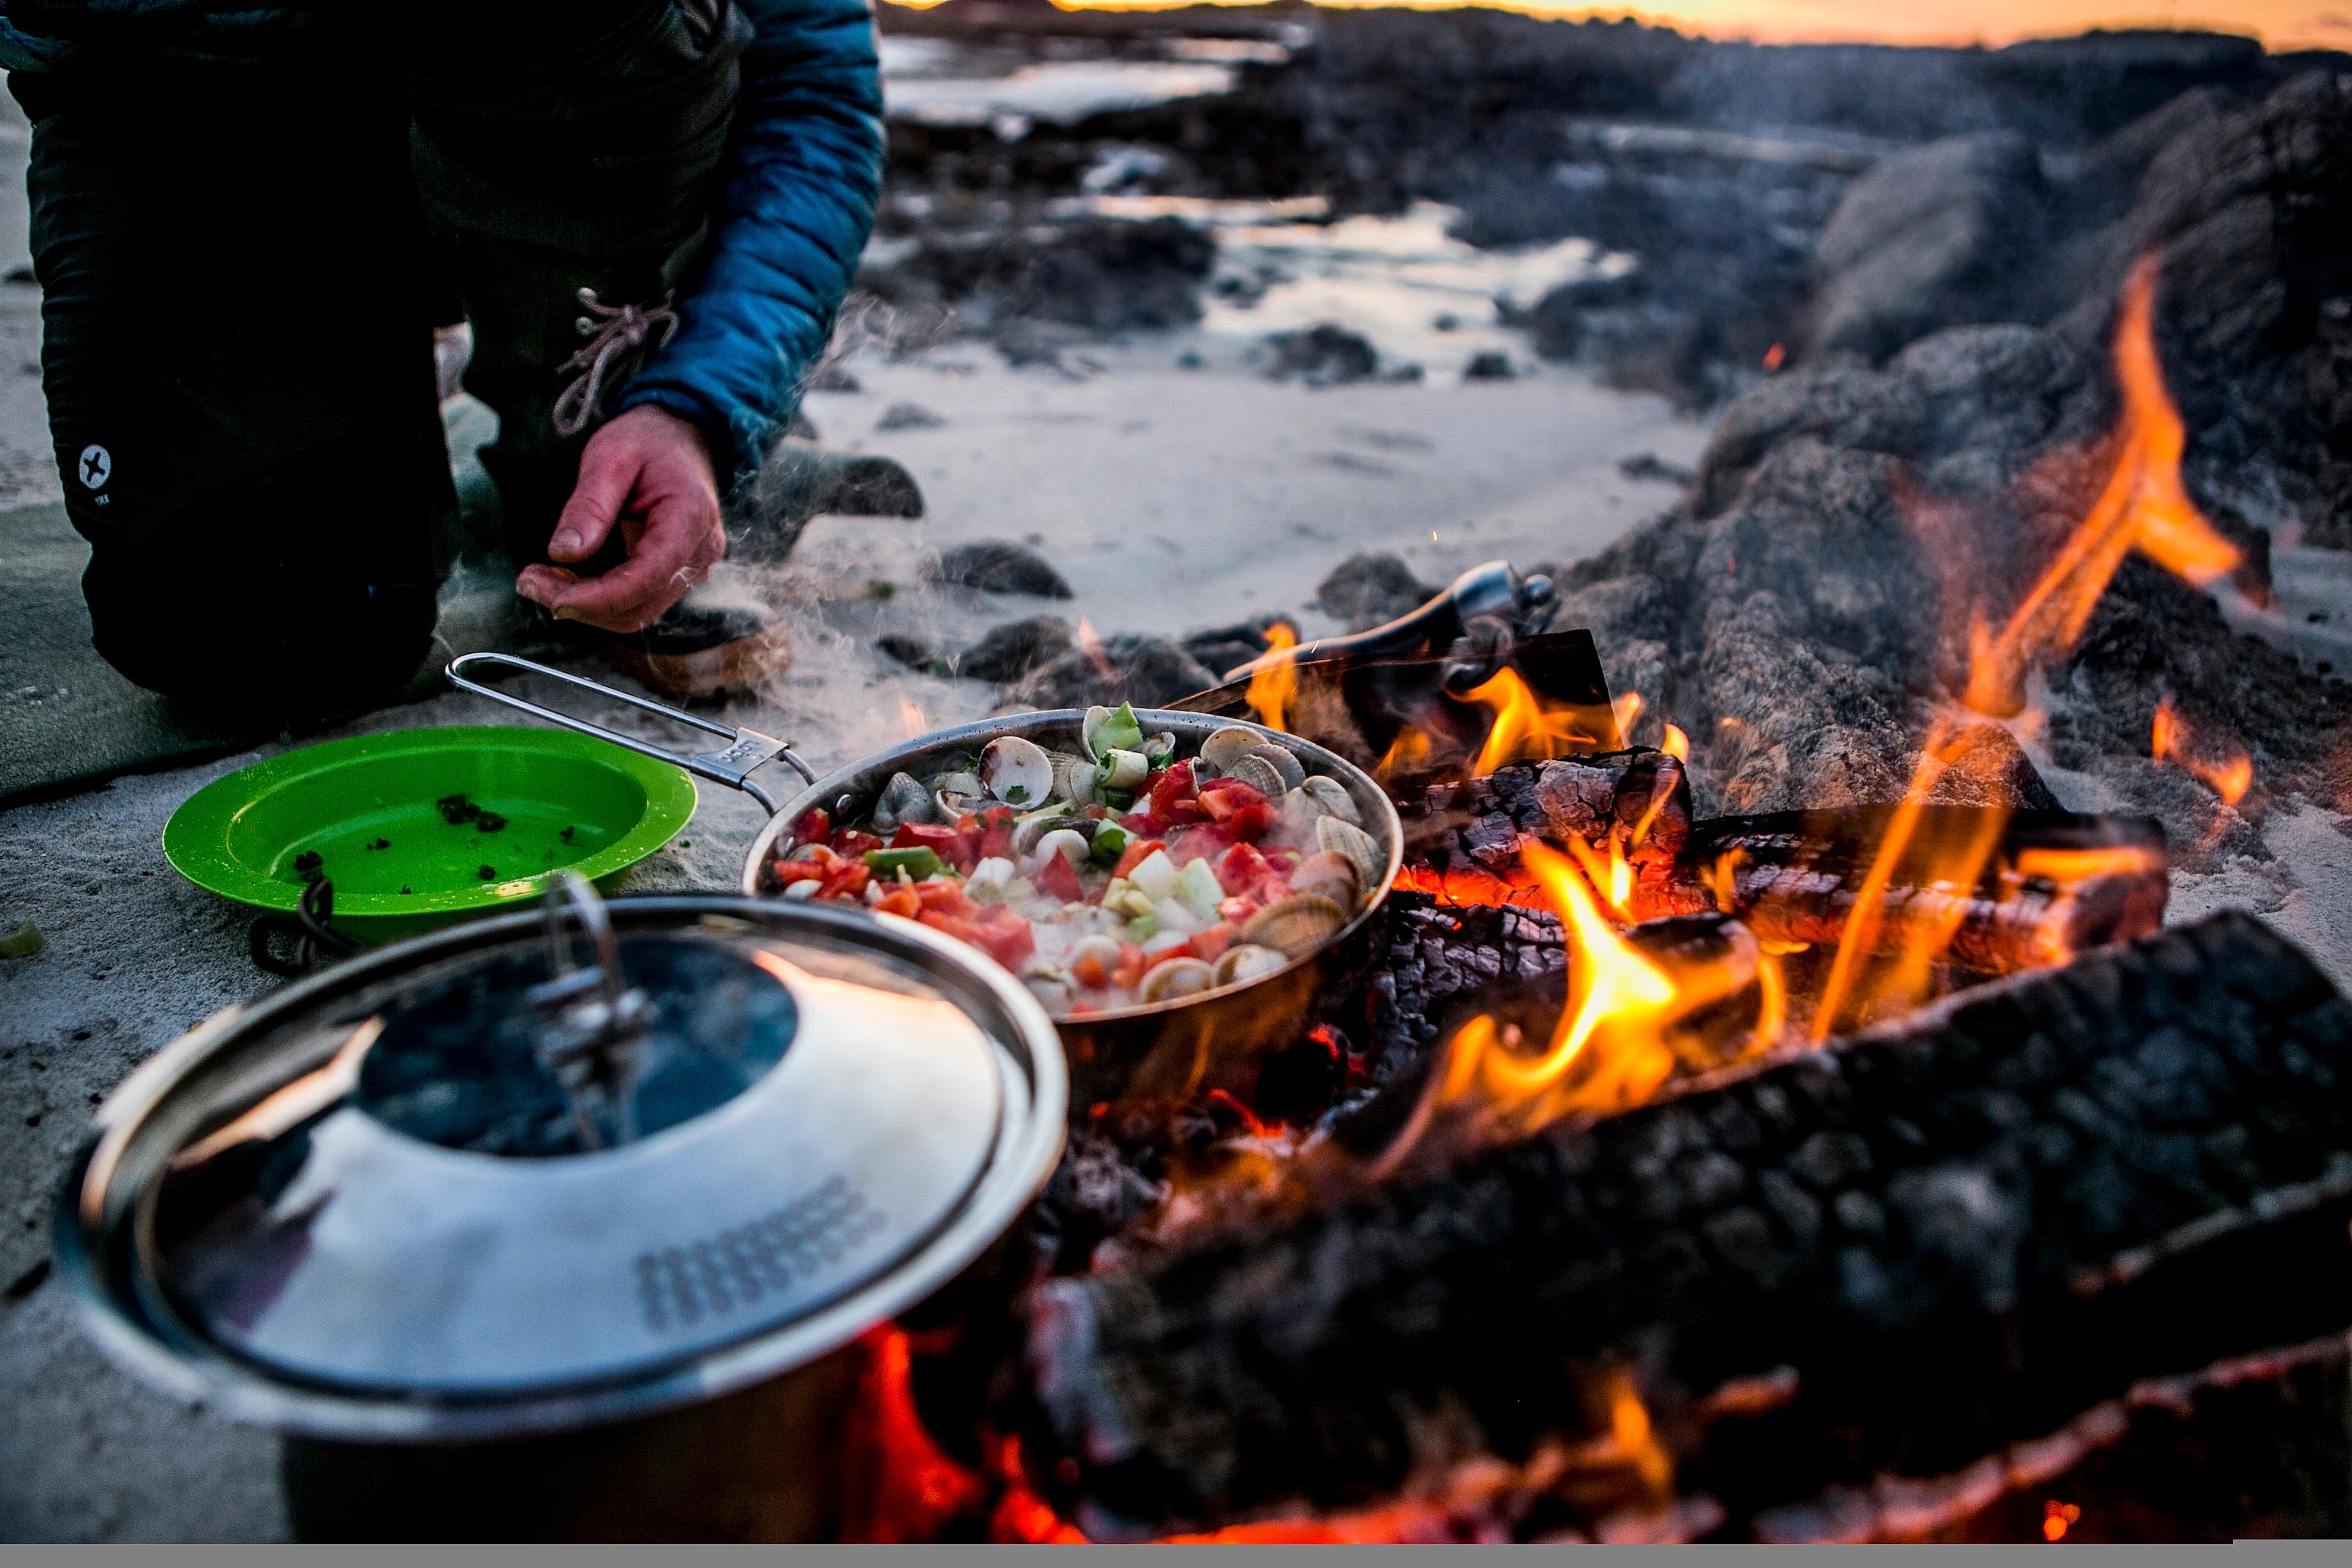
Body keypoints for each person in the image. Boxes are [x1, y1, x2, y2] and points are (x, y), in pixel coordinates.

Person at [4, 0, 886, 715]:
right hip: (191, 64)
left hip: (551, 60)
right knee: (256, 639)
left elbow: (815, 93)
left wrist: (696, 404)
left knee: (590, 14)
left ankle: (609, 462)